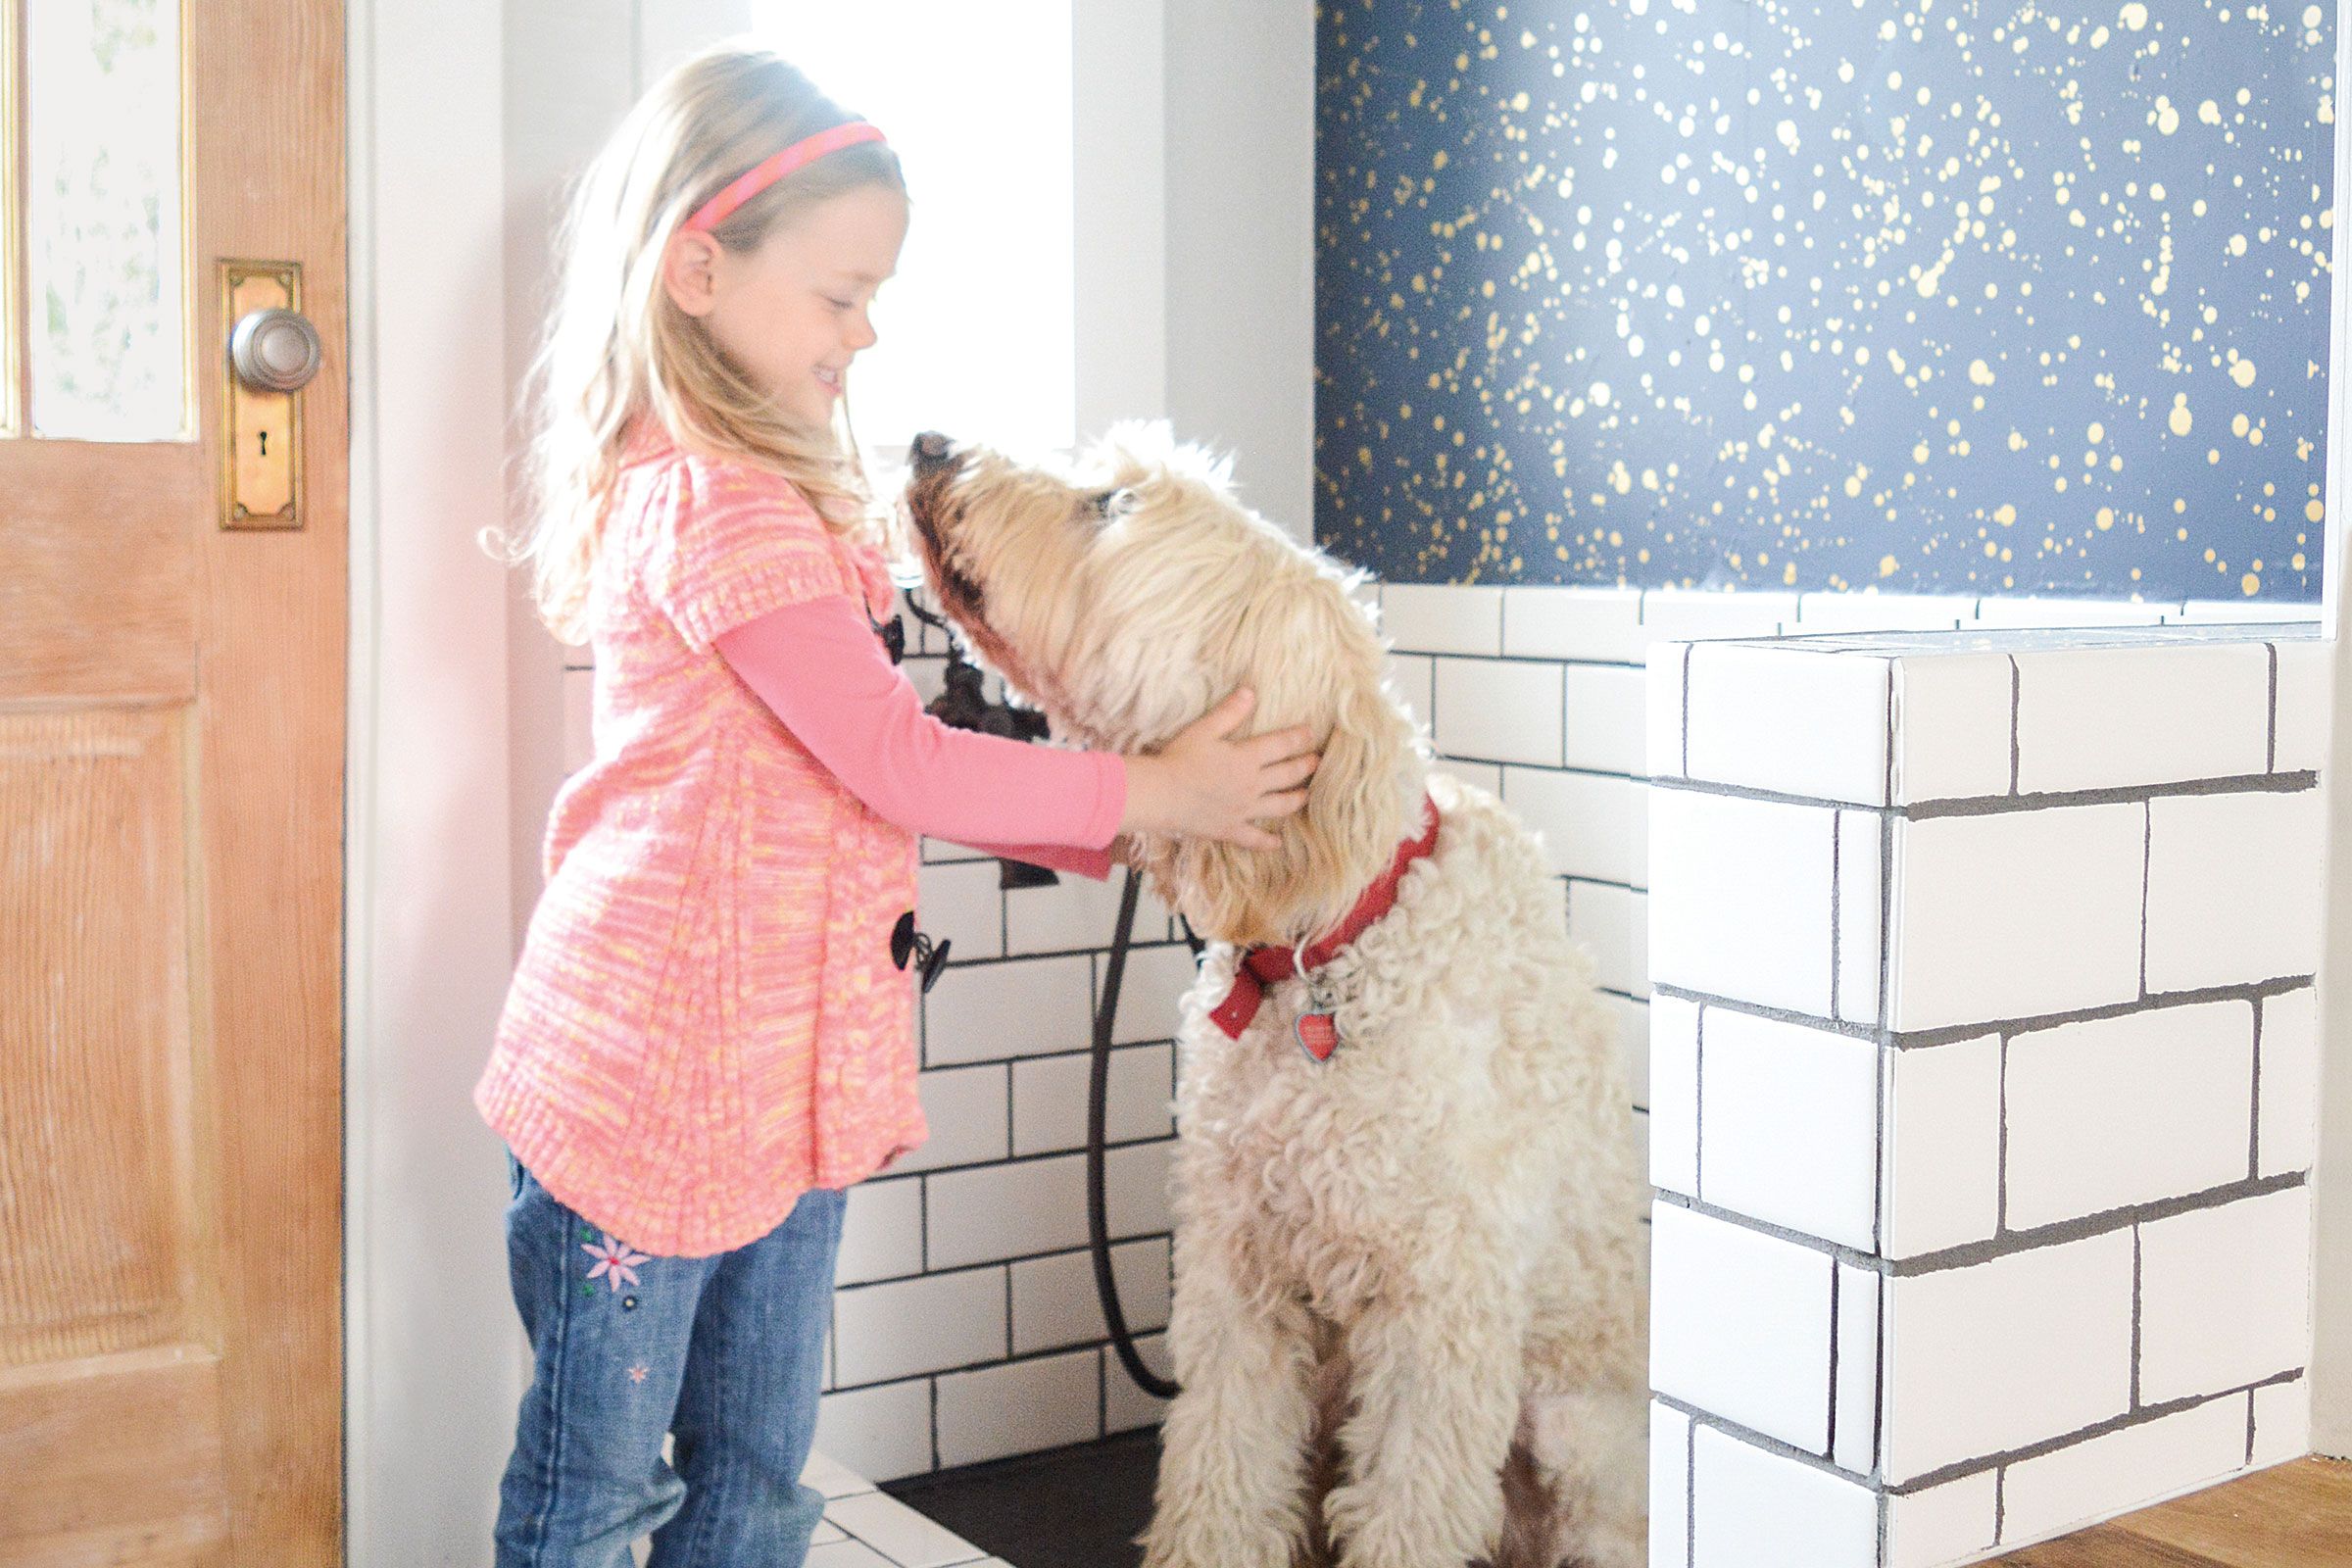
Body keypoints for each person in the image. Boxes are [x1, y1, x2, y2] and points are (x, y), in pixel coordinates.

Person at [475, 42, 1318, 1568]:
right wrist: (1153, 789)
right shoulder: (711, 502)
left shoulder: (777, 495)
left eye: (874, 297)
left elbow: (877, 759)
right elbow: (900, 763)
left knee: (754, 1473)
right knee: (600, 1489)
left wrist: (1124, 799)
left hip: (778, 1094)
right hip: (646, 1095)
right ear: (697, 271)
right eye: (841, 294)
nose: (866, 332)